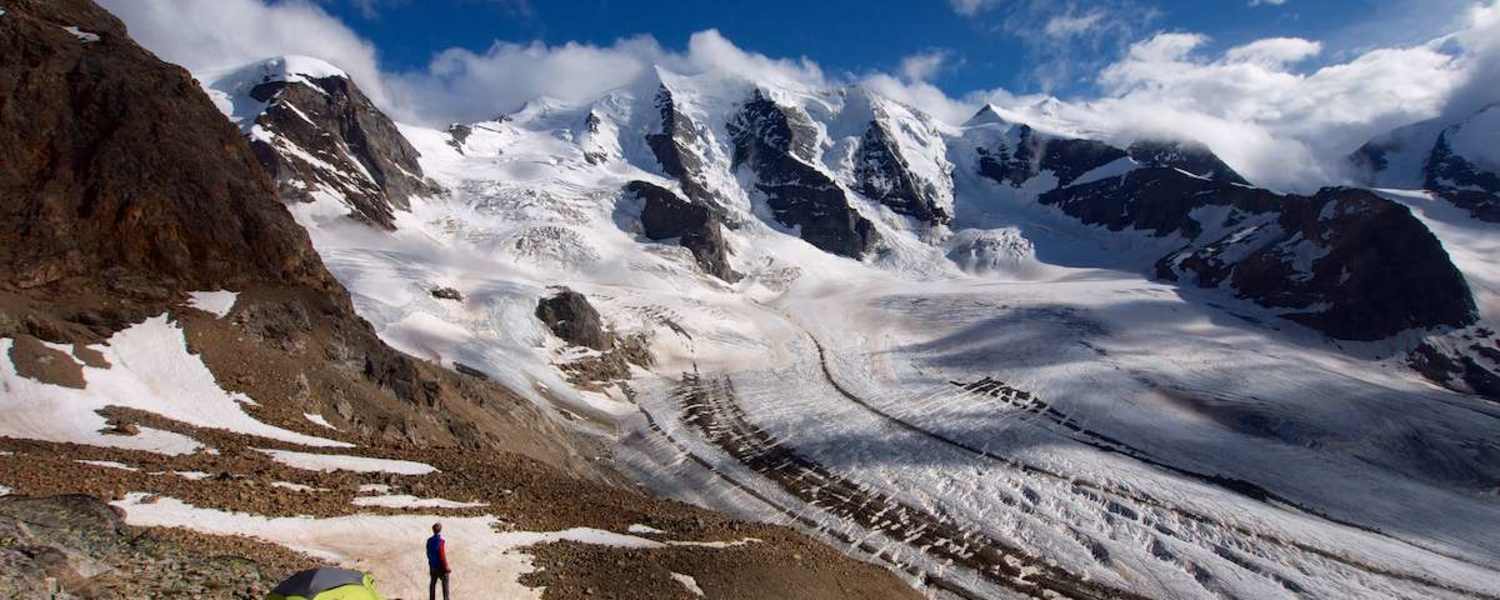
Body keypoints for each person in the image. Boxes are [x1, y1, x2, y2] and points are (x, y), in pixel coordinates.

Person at [426, 523, 450, 600]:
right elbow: (442, 555)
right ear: (440, 530)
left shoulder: (429, 540)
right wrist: (446, 567)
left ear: (433, 530)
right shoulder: (441, 541)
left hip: (432, 566)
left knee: (432, 583)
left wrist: (430, 563)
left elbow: (428, 553)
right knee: (445, 582)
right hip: (440, 567)